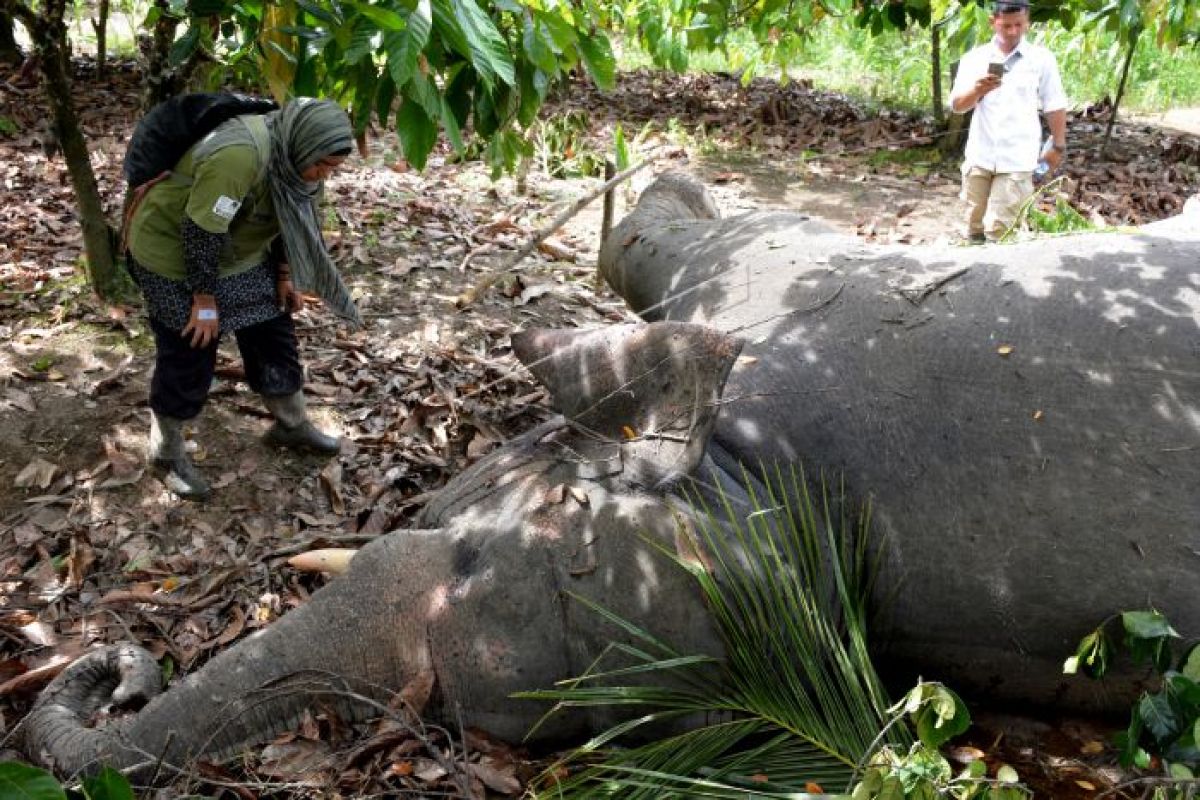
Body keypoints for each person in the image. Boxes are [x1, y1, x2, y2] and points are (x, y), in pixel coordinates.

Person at [125, 97, 363, 499]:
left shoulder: (301, 161)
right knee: (190, 347)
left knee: (273, 333)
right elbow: (202, 232)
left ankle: (291, 424)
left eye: (331, 169)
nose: (322, 176)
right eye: (321, 166)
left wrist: (284, 275)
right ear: (302, 145)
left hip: (240, 253)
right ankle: (166, 452)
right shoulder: (239, 154)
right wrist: (203, 301)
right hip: (174, 254)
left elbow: (297, 218)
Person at [949, 0, 1068, 242]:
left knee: (1000, 231)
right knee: (972, 226)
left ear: (1027, 23)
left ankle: (996, 275)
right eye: (1006, 26)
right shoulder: (975, 58)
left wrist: (1058, 145)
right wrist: (977, 90)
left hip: (1018, 159)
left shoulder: (1041, 60)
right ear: (993, 22)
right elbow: (957, 105)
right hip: (979, 156)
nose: (1013, 32)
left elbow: (1054, 104)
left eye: (1019, 25)